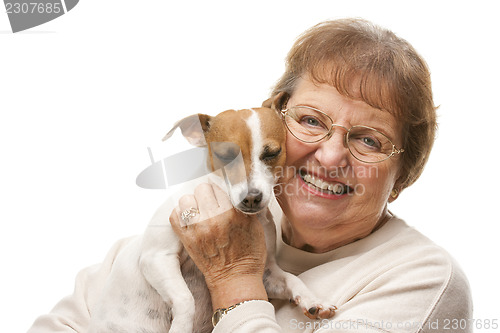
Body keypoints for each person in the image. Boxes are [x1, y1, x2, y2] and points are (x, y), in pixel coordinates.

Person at [28, 18, 472, 332]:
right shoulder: (200, 218)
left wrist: (235, 278)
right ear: (273, 123)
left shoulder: (425, 280)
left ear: (405, 174)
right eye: (312, 121)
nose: (330, 155)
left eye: (369, 140)